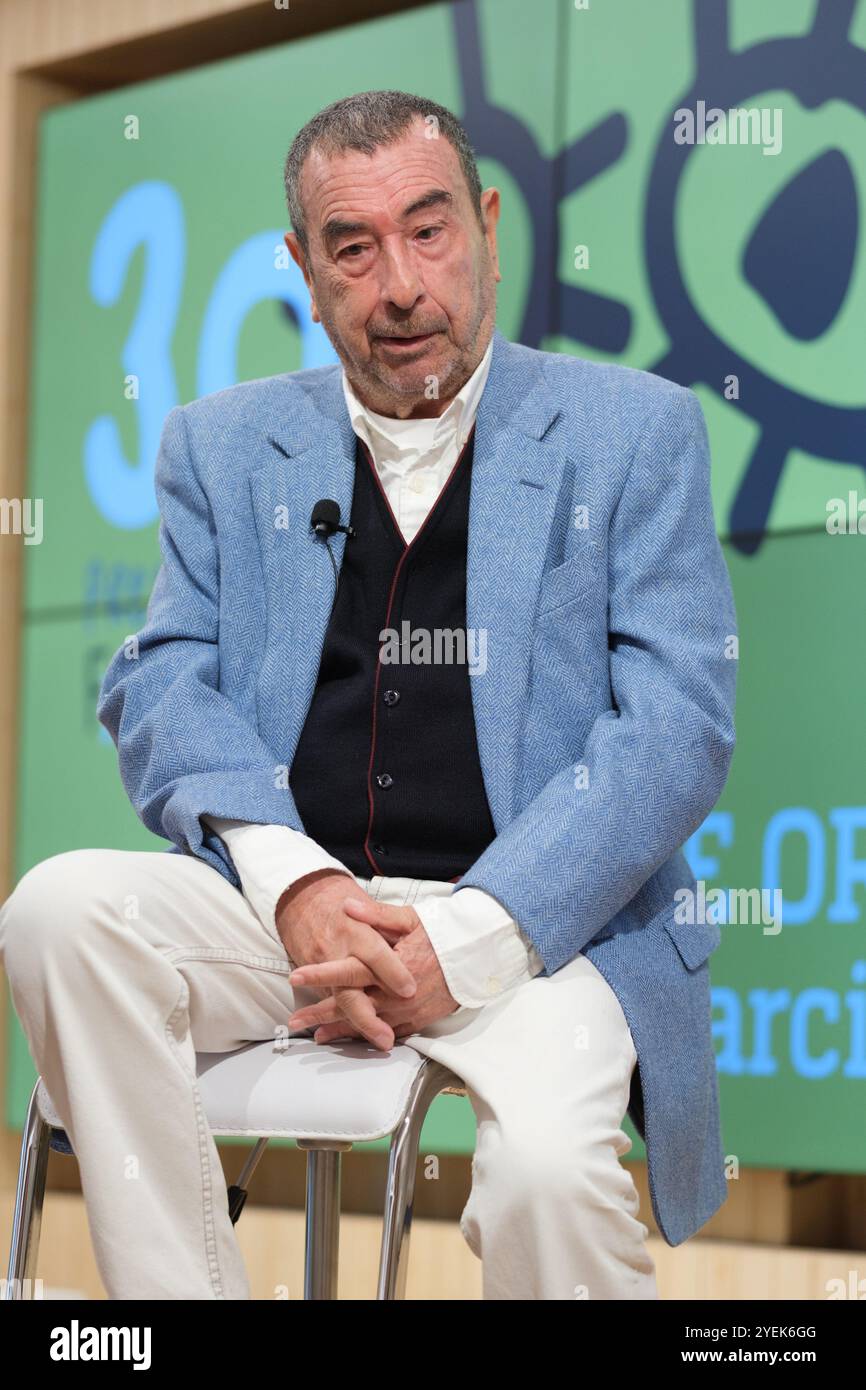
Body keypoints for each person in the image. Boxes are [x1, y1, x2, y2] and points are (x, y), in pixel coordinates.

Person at [0, 88, 737, 1300]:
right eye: (352, 246)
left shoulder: (630, 434)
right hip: (299, 922)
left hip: (550, 934)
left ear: (488, 228)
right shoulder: (219, 446)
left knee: (546, 1174)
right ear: (303, 268)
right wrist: (298, 888)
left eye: (429, 229)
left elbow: (673, 726)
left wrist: (466, 935)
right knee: (60, 912)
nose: (398, 284)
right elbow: (163, 679)